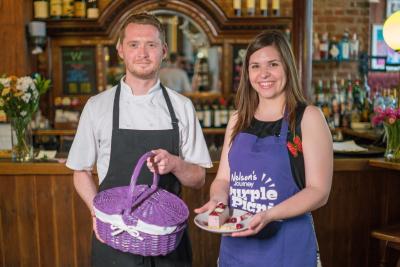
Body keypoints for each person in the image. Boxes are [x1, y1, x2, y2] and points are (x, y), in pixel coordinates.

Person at [66, 12, 212, 267]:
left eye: (151, 45)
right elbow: (80, 171)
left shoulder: (182, 107)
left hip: (168, 245)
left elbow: (199, 179)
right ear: (120, 50)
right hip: (113, 242)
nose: (142, 53)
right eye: (134, 44)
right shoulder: (97, 106)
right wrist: (98, 214)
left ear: (164, 50)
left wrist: (176, 164)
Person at [195, 30, 333, 266]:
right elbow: (223, 180)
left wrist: (269, 215)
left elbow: (319, 191)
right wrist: (219, 202)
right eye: (255, 66)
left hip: (287, 250)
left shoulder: (308, 117)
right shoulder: (238, 119)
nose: (264, 74)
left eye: (273, 64)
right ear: (247, 73)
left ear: (287, 67)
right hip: (235, 249)